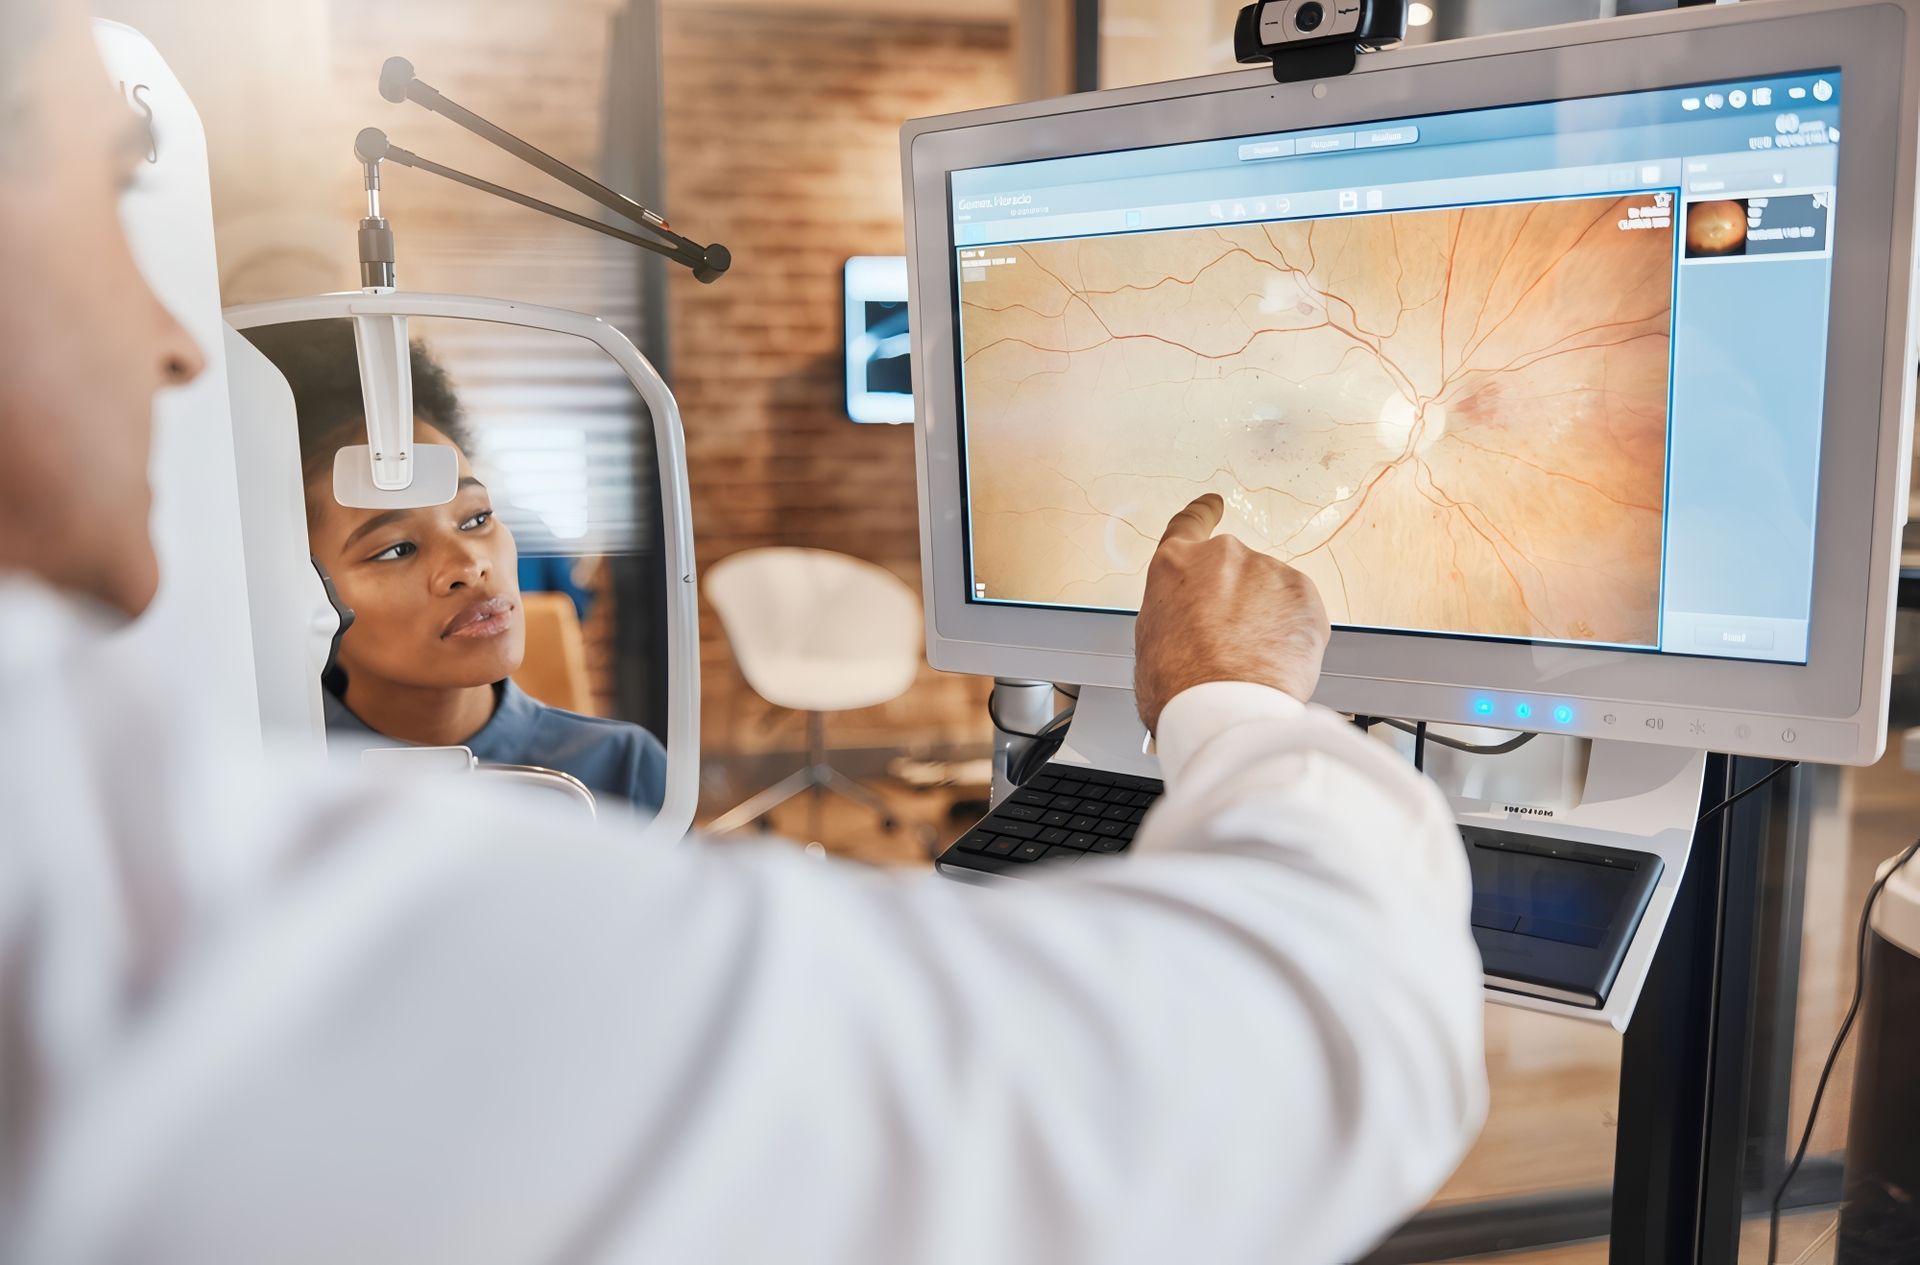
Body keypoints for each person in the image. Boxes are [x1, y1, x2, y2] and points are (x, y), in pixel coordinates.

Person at [0, 3, 1486, 1263]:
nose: (178, 338)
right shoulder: (152, 908)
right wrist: (1231, 699)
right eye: (103, 204)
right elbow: (1252, 1072)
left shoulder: (569, 786)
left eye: (470, 519)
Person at [242, 320, 668, 813]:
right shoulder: (267, 789)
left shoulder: (623, 772)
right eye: (397, 549)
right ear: (295, 585)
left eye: (476, 518)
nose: (470, 565)